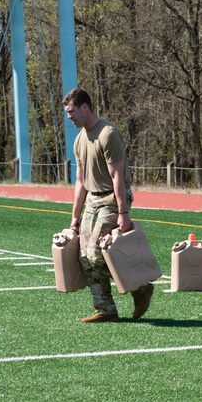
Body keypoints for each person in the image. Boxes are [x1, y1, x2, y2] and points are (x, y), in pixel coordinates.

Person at [65, 88, 154, 322]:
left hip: (111, 200)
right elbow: (80, 181)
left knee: (96, 253)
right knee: (84, 256)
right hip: (93, 201)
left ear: (85, 107)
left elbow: (117, 176)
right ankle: (106, 309)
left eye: (71, 111)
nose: (69, 117)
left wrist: (123, 212)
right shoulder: (79, 140)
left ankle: (141, 288)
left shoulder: (108, 133)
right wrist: (75, 217)